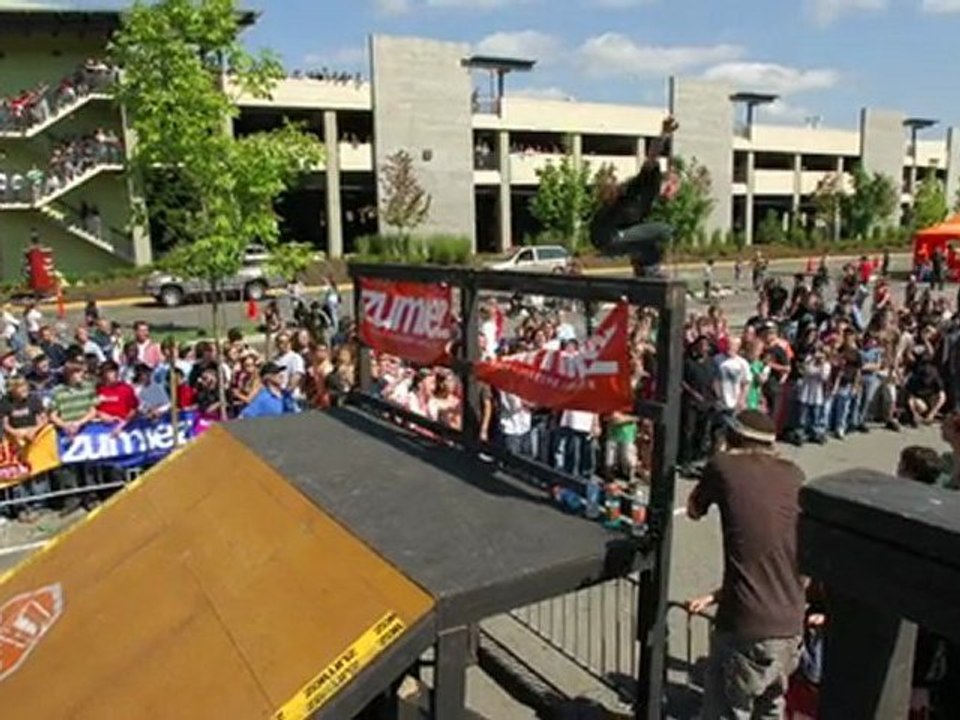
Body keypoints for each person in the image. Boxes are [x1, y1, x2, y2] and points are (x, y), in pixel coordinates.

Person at [687, 410, 806, 720]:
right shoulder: (793, 473)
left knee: (725, 710)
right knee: (771, 707)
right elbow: (770, 553)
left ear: (732, 436)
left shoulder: (724, 466)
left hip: (746, 624)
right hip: (790, 622)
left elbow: (693, 509)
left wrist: (717, 457)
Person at [589, 116, 679, 277]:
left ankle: (643, 274)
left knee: (651, 245)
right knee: (665, 229)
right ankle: (651, 270)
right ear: (665, 182)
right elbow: (652, 156)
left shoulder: (648, 204)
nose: (672, 194)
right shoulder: (646, 182)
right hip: (606, 235)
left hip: (608, 240)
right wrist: (664, 133)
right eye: (672, 188)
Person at [1, 377, 52, 523]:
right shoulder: (5, 402)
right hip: (15, 443)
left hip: (34, 439)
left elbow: (43, 418)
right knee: (19, 474)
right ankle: (22, 507)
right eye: (21, 388)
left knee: (37, 472)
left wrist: (33, 430)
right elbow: (5, 424)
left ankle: (39, 504)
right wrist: (17, 433)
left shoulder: (33, 399)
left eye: (25, 388)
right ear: (13, 389)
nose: (24, 391)